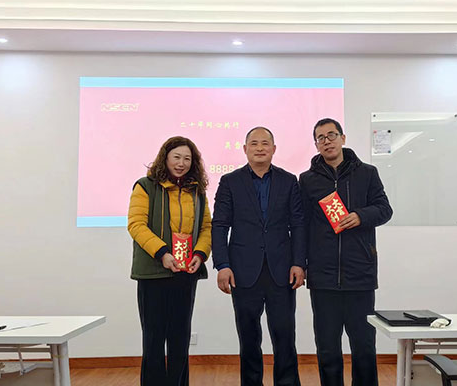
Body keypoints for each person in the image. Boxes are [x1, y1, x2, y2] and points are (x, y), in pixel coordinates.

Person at [299, 118, 393, 386]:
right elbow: (302, 225)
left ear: (343, 138)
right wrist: (301, 264)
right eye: (320, 138)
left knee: (364, 346)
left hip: (360, 274)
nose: (326, 141)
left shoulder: (367, 173)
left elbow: (385, 210)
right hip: (323, 277)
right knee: (327, 347)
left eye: (331, 135)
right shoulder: (307, 180)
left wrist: (361, 216)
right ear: (316, 144)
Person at [212, 126, 306, 386]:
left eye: (265, 143)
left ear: (274, 149)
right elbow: (219, 225)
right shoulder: (230, 181)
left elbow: (298, 224)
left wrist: (299, 262)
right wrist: (222, 264)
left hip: (282, 271)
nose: (260, 148)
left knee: (284, 336)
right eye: (254, 143)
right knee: (249, 338)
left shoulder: (289, 181)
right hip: (243, 271)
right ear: (245, 149)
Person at [128, 136, 212, 386]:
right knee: (153, 339)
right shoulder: (145, 186)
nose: (181, 163)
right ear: (165, 158)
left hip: (185, 274)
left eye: (187, 159)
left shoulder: (197, 191)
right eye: (176, 157)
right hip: (153, 272)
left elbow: (206, 227)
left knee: (180, 338)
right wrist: (162, 253)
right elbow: (136, 225)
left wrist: (199, 254)